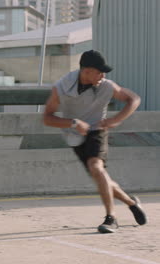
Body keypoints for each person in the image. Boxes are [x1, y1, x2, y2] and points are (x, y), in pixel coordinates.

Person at [43, 50, 147, 233]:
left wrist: (115, 120)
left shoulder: (107, 86)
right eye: (99, 71)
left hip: (97, 130)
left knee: (96, 168)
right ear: (86, 71)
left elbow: (133, 99)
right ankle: (132, 203)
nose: (103, 75)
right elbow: (47, 118)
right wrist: (73, 123)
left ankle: (111, 218)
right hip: (75, 134)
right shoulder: (61, 88)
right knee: (101, 178)